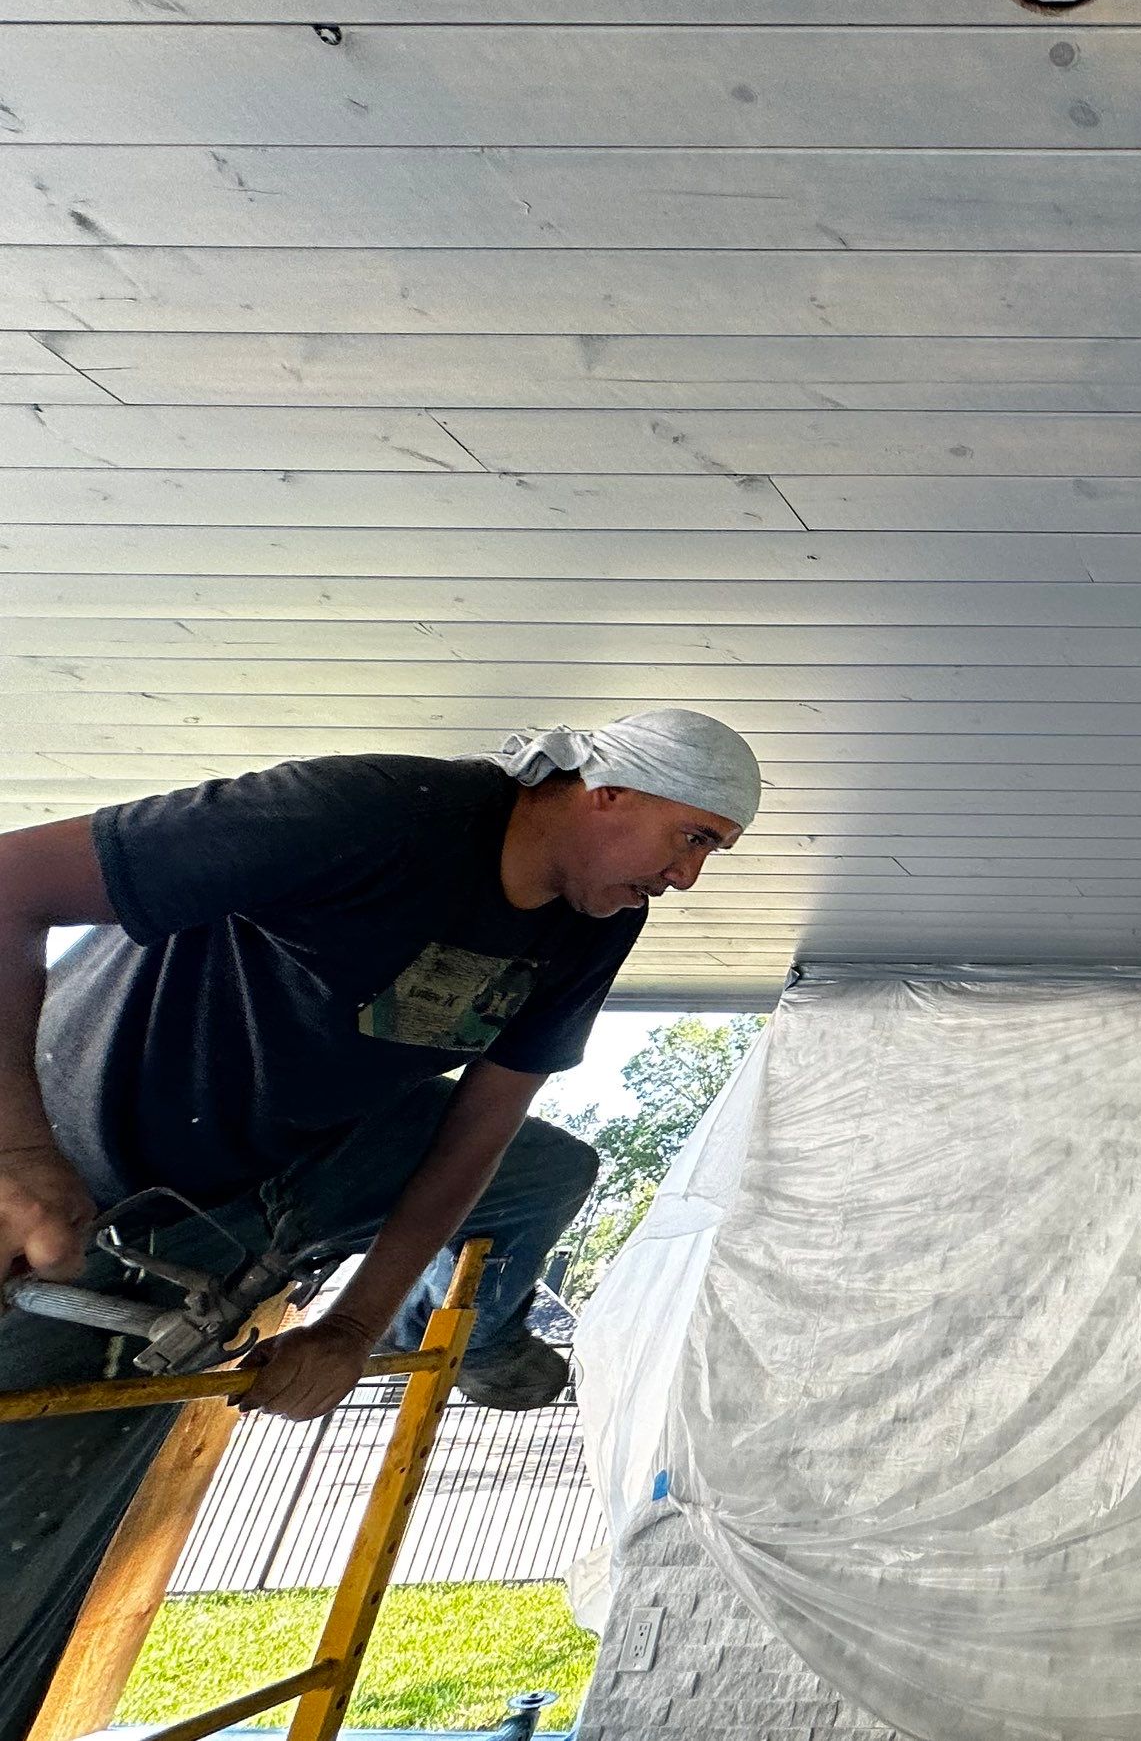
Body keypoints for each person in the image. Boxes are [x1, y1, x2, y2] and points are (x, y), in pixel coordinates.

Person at [0, 710, 762, 1736]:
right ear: (606, 791)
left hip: (288, 1170)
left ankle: (461, 1334)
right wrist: (19, 1152)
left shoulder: (592, 920)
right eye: (695, 837)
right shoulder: (368, 812)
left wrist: (354, 1327)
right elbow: (11, 883)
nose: (687, 879)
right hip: (95, 1153)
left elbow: (480, 1128)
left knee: (547, 1168)